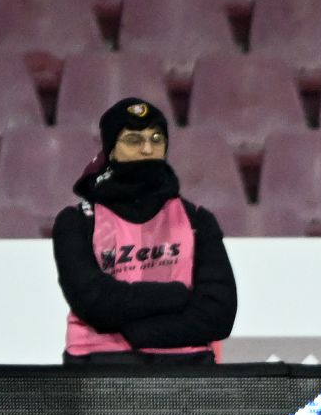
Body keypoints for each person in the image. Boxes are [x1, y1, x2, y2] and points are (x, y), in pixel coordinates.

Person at [52, 97, 237, 364]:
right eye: (134, 140)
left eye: (156, 138)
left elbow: (218, 314)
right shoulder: (77, 221)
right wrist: (176, 295)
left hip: (187, 371)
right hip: (100, 368)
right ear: (111, 149)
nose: (148, 148)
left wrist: (138, 333)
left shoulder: (197, 220)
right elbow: (93, 302)